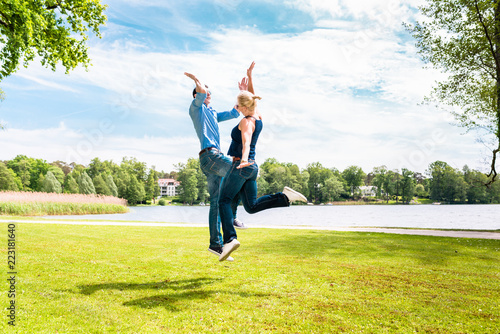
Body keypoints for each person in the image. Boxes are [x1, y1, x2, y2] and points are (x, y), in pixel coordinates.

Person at [218, 62, 308, 261]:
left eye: (238, 105)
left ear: (243, 107)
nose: (236, 107)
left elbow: (246, 140)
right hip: (252, 169)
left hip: (241, 166)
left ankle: (230, 239)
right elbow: (253, 99)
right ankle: (285, 197)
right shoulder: (256, 115)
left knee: (223, 200)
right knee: (251, 206)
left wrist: (242, 160)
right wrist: (249, 79)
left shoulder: (246, 121)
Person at [184, 71, 248, 262]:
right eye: (205, 92)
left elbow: (234, 112)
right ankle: (234, 217)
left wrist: (243, 93)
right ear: (197, 95)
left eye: (210, 92)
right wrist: (197, 81)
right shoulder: (196, 109)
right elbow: (201, 92)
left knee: (216, 202)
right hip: (211, 156)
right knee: (242, 170)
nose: (209, 94)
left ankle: (215, 245)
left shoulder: (212, 113)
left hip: (210, 161)